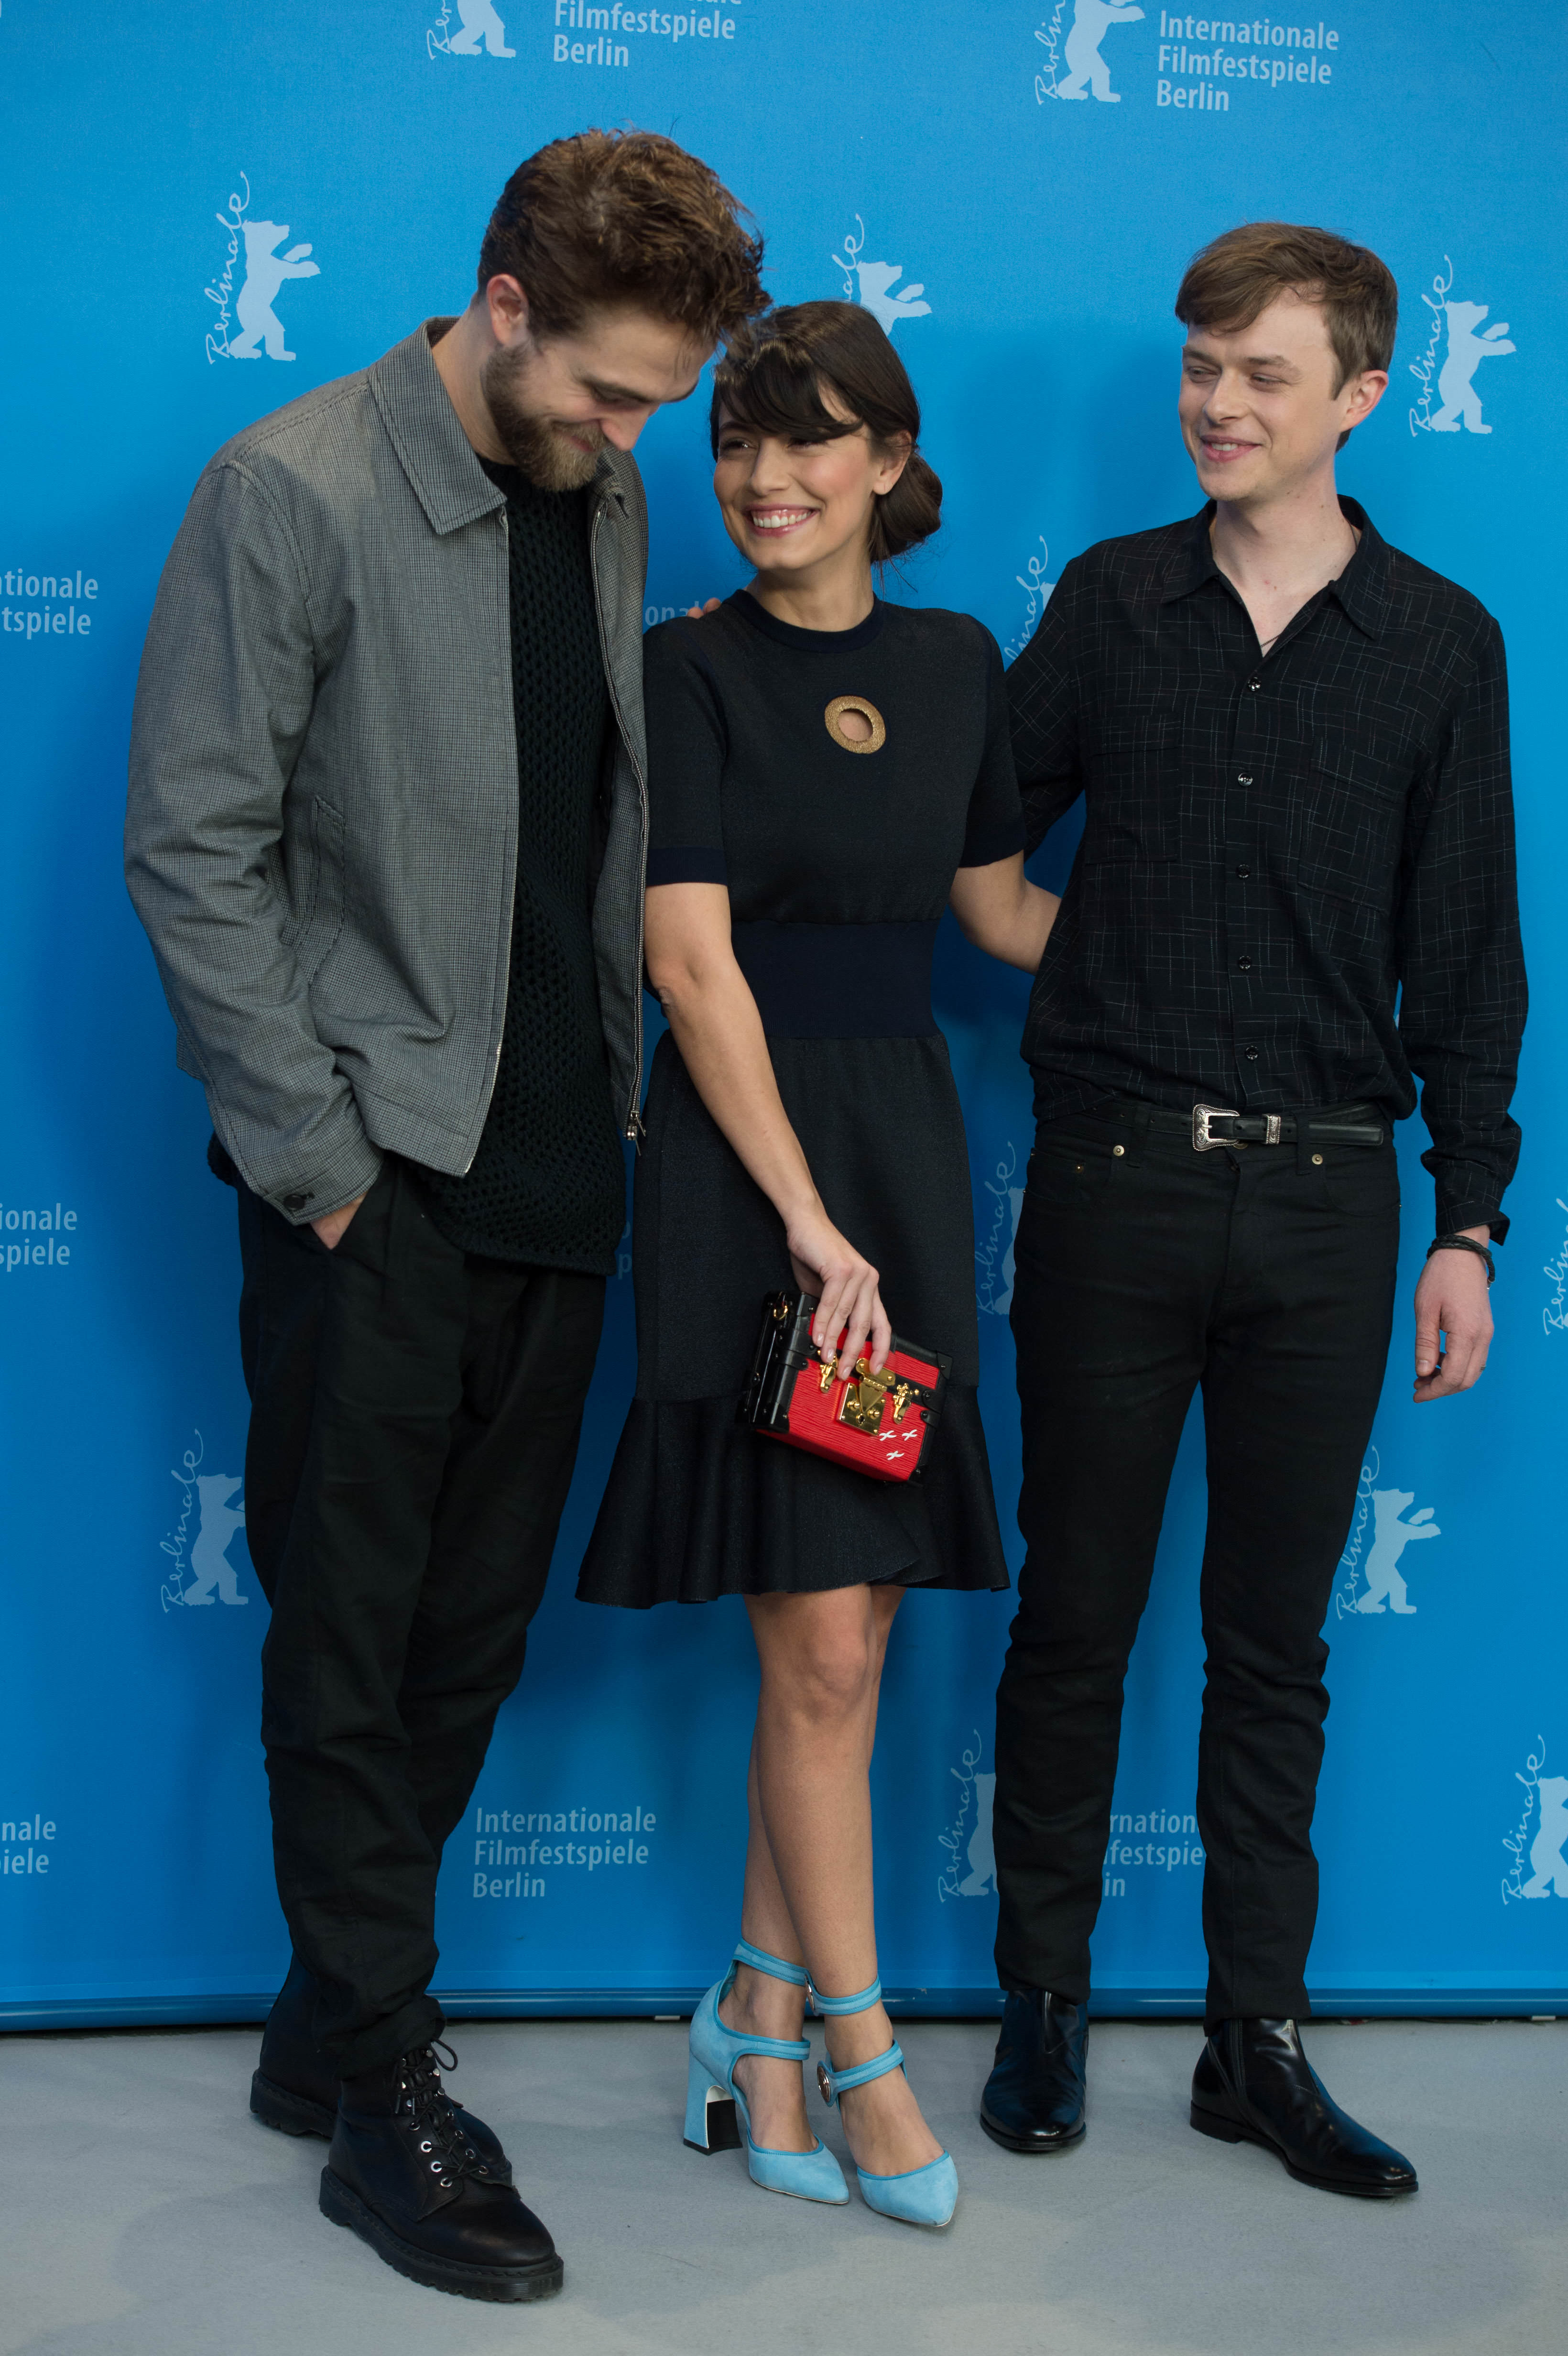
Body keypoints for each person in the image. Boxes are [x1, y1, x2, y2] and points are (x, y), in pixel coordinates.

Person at [124, 130, 764, 2303]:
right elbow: (193, 848)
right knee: (348, 1630)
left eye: (658, 400)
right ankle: (387, 2087)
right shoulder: (289, 489)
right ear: (502, 307)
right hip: (373, 1171)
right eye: (606, 387)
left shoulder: (603, 484)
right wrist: (314, 1166)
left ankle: (328, 2026)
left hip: (565, 1161)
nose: (630, 434)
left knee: (470, 1634)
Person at [980, 222, 1526, 2195]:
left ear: (1359, 394)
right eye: (1200, 366)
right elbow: (964, 823)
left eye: (1262, 373)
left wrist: (1468, 1219)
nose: (1217, 402)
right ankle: (1042, 2003)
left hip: (1326, 1206)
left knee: (1274, 1644)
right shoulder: (1113, 602)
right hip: (1112, 1181)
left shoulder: (1441, 641)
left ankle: (1255, 2042)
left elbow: (1468, 952)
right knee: (1075, 1614)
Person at [576, 302, 1059, 2228]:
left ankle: (754, 2018)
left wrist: (1231, 950)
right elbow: (685, 964)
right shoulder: (680, 668)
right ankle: (861, 2051)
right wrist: (800, 1213)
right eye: (734, 444)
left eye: (807, 441)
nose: (763, 479)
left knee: (854, 1624)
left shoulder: (957, 664)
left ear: (888, 462)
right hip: (749, 1163)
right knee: (823, 1629)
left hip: (900, 1157)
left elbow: (999, 914)